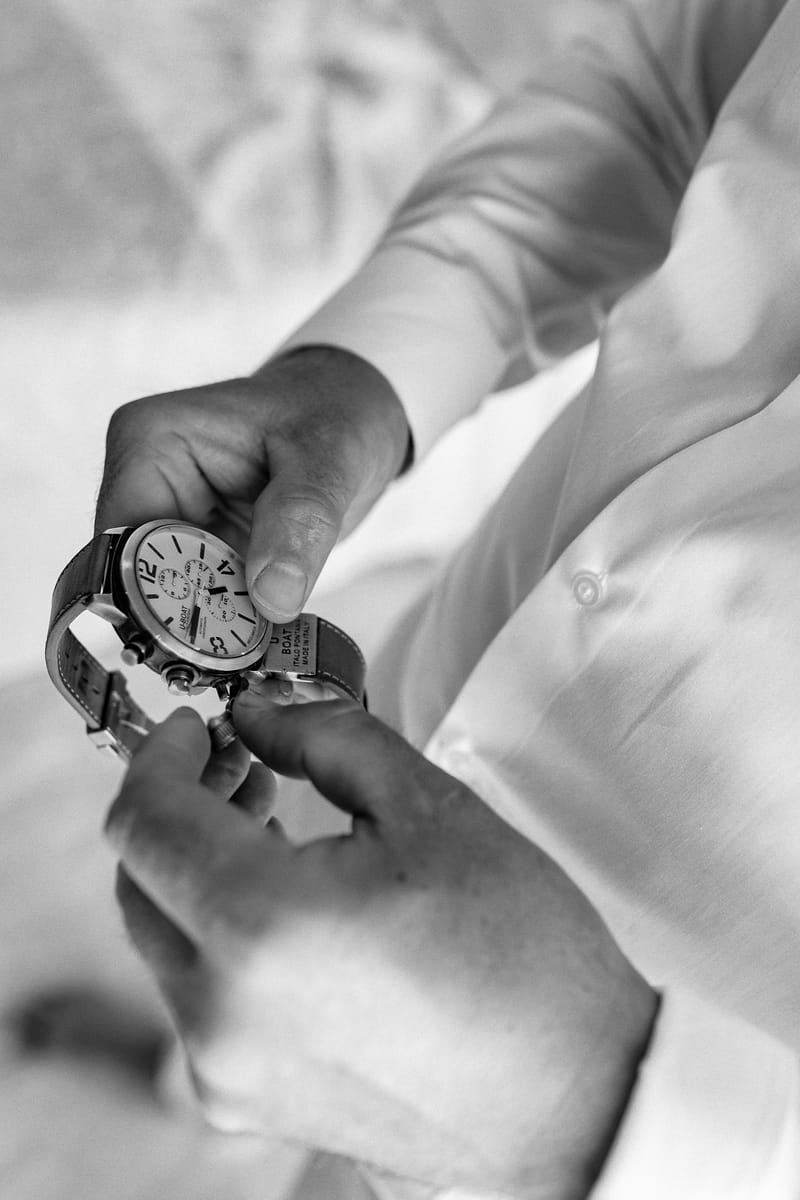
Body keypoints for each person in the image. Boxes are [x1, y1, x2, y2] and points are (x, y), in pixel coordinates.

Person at [97, 0, 800, 1194]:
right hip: (396, 714)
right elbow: (681, 86)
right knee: (232, 974)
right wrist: (374, 365)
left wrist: (583, 1112)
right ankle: (185, 1077)